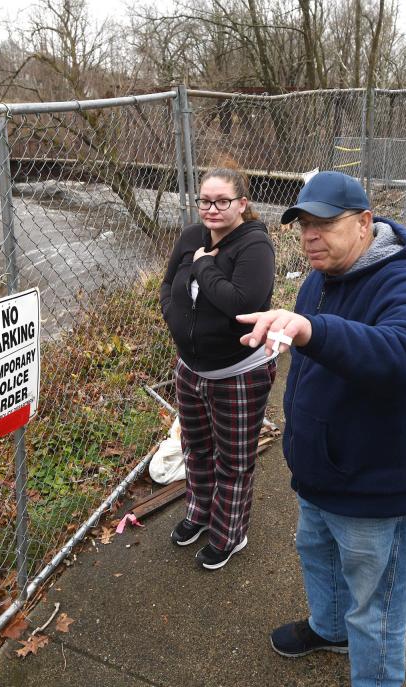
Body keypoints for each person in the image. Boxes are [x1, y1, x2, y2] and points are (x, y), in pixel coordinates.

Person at [236, 171, 406, 686]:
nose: (309, 235)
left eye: (324, 223)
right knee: (317, 555)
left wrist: (311, 329)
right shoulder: (317, 278)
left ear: (365, 223)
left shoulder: (404, 280)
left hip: (372, 483)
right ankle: (328, 629)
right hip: (320, 470)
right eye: (303, 224)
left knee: (375, 610)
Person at [159, 168, 278, 571]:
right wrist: (174, 318)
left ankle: (229, 533)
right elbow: (167, 286)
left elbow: (241, 303)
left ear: (241, 204)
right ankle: (199, 511)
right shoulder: (192, 237)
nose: (211, 209)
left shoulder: (255, 246)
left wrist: (203, 267)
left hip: (238, 372)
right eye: (205, 201)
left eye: (221, 201)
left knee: (233, 458)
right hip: (190, 368)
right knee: (196, 447)